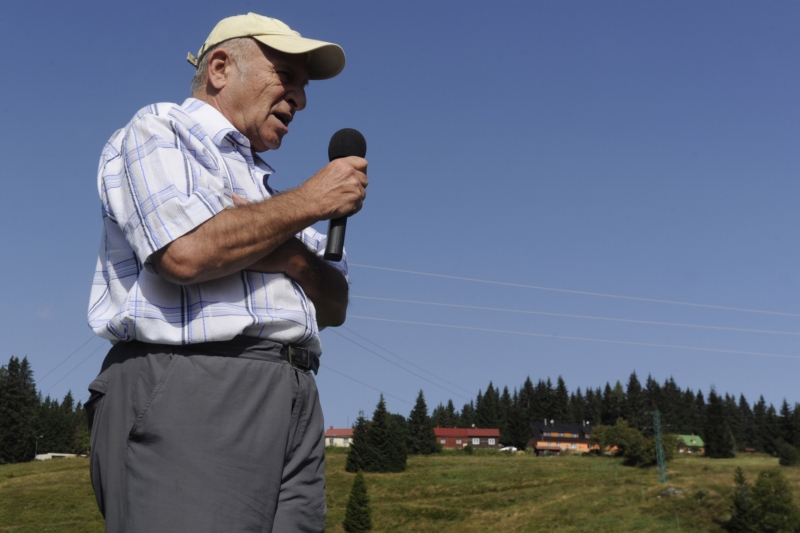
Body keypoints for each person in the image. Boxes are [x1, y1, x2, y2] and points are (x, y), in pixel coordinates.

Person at [85, 13, 367, 533]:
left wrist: (279, 247)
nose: (300, 99)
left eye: (303, 87)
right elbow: (186, 252)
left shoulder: (271, 196)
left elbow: (334, 306)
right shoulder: (159, 129)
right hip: (194, 385)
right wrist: (310, 202)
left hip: (296, 393)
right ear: (219, 68)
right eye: (288, 77)